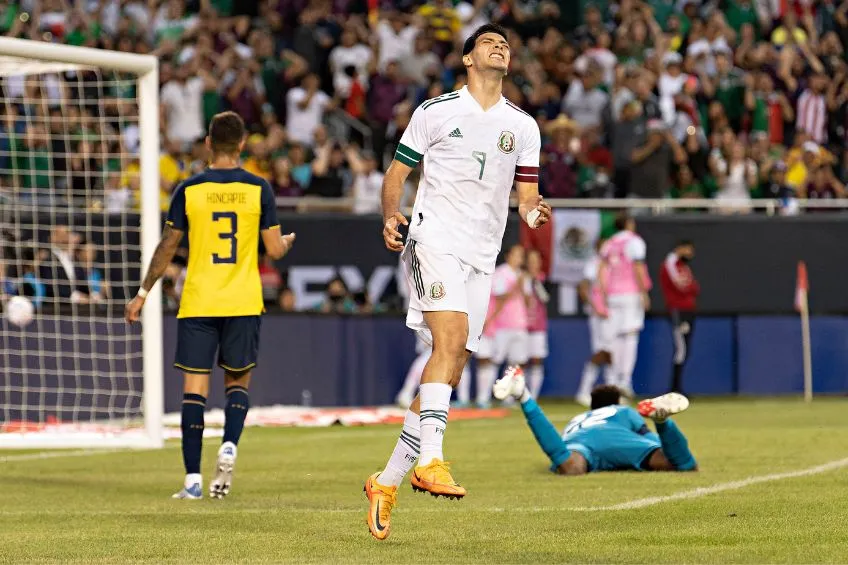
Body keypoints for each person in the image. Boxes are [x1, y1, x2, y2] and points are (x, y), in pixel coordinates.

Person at [366, 23, 551, 541]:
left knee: (449, 370)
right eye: (489, 43)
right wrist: (389, 216)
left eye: (506, 45)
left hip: (482, 254)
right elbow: (397, 175)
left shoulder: (524, 126)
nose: (501, 48)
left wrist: (534, 215)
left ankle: (386, 481)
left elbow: (527, 197)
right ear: (468, 58)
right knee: (447, 342)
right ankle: (433, 459)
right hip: (433, 238)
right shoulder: (435, 111)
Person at [124, 111, 295, 500]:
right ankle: (230, 445)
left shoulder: (189, 189)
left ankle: (192, 482)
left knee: (193, 392)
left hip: (200, 299)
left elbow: (168, 246)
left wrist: (143, 293)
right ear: (241, 145)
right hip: (243, 300)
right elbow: (272, 250)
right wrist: (285, 242)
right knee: (237, 385)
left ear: (207, 144)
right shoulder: (258, 189)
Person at [493, 366, 697, 475]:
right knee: (682, 463)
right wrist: (663, 441)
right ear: (615, 402)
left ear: (593, 407)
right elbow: (648, 437)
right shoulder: (622, 411)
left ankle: (524, 397)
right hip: (620, 439)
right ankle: (662, 421)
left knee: (570, 466)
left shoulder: (578, 418)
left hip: (582, 444)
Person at [597, 213, 651, 398]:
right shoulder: (634, 242)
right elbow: (637, 268)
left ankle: (612, 380)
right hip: (630, 294)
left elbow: (602, 269)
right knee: (630, 336)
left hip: (613, 296)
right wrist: (643, 293)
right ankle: (624, 380)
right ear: (628, 224)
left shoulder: (609, 243)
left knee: (614, 338)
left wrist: (604, 293)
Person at [476, 244, 530, 408]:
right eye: (516, 255)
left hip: (520, 324)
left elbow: (527, 301)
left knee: (516, 363)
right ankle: (483, 398)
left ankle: (508, 398)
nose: (519, 259)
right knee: (494, 361)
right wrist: (516, 284)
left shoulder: (523, 276)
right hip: (502, 325)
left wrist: (522, 285)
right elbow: (500, 298)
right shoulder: (500, 273)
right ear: (508, 256)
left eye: (521, 255)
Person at [574, 238, 613, 407]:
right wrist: (594, 307)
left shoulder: (614, 265)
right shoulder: (593, 264)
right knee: (601, 351)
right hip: (599, 315)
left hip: (613, 313)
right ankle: (583, 391)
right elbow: (583, 287)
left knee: (611, 353)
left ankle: (614, 392)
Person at [659, 241, 699, 394]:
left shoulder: (683, 266)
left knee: (685, 350)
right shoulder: (671, 263)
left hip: (688, 309)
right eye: (688, 250)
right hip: (678, 310)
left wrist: (690, 286)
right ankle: (675, 389)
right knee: (681, 349)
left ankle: (677, 388)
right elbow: (682, 286)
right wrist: (689, 286)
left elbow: (695, 287)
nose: (690, 254)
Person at [524, 249, 549, 399]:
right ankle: (521, 394)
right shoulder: (520, 277)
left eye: (537, 260)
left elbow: (545, 298)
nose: (534, 264)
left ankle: (533, 395)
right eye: (531, 260)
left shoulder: (543, 278)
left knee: (537, 359)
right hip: (522, 324)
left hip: (538, 326)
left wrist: (536, 282)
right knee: (521, 360)